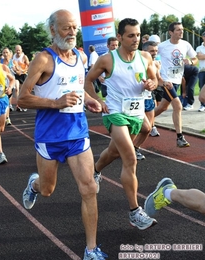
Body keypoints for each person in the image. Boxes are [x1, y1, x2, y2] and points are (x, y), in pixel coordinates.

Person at [18, 9, 107, 260]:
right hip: (49, 136)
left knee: (89, 187)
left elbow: (77, 88)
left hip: (77, 132)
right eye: (67, 28)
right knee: (47, 190)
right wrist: (55, 103)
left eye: (75, 28)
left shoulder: (79, 56)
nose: (72, 32)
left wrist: (90, 100)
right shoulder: (43, 59)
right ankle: (34, 185)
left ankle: (91, 249)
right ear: (53, 30)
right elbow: (22, 98)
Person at [84, 18, 158, 230]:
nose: (136, 39)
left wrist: (152, 84)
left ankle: (96, 170)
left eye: (138, 35)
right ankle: (135, 211)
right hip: (115, 113)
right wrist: (98, 100)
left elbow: (153, 80)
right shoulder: (107, 60)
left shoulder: (145, 57)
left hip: (135, 112)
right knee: (129, 158)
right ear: (120, 37)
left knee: (114, 152)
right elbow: (88, 80)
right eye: (130, 35)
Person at [154, 22, 197, 148]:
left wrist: (191, 61)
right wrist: (156, 70)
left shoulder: (185, 44)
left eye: (182, 30)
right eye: (178, 30)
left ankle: (145, 120)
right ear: (171, 32)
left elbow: (194, 58)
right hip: (167, 82)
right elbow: (150, 57)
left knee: (162, 108)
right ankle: (180, 137)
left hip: (177, 80)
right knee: (178, 106)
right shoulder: (162, 46)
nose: (181, 32)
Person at [133, 41, 162, 160]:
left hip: (148, 97)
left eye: (156, 51)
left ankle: (135, 148)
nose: (154, 53)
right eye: (152, 51)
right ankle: (127, 149)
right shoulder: (137, 60)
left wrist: (161, 83)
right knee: (136, 128)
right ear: (145, 51)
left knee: (148, 129)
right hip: (136, 98)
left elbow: (157, 80)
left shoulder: (156, 64)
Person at [1, 47, 18, 125]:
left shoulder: (12, 61)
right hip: (2, 83)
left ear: (10, 54)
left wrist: (16, 70)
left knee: (7, 101)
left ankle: (7, 118)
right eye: (4, 52)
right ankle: (4, 116)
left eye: (6, 52)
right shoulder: (0, 62)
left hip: (10, 82)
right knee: (3, 102)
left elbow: (18, 71)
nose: (5, 54)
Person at [12, 45, 29, 112]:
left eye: (19, 50)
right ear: (15, 50)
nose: (18, 51)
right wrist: (16, 71)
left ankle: (24, 105)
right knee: (16, 89)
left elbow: (28, 66)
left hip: (23, 75)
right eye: (17, 50)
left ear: (21, 50)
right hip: (16, 75)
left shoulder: (24, 57)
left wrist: (22, 71)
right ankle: (18, 105)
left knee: (23, 91)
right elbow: (12, 65)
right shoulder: (14, 57)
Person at [195, 32, 205, 112]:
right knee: (201, 87)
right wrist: (201, 56)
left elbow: (202, 56)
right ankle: (202, 105)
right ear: (203, 37)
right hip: (202, 70)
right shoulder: (199, 47)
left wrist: (203, 55)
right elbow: (199, 57)